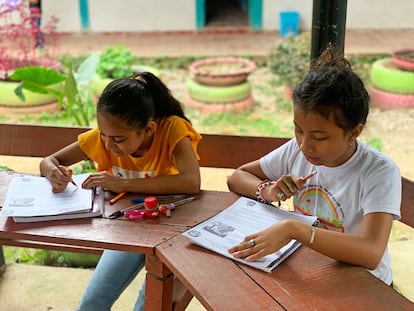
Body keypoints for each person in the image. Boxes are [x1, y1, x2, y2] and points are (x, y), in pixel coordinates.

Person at [227, 45, 401, 286]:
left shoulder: (378, 172)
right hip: (309, 270)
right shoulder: (295, 150)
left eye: (319, 137)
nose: (305, 145)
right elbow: (238, 176)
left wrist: (295, 229)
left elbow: (371, 252)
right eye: (298, 130)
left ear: (354, 132)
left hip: (364, 284)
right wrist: (268, 190)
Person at [39, 72, 201, 311]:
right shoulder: (108, 136)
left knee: (149, 306)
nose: (108, 145)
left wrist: (123, 185)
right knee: (92, 302)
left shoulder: (171, 130)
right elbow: (50, 160)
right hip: (128, 227)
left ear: (148, 129)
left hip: (172, 232)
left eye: (118, 139)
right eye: (103, 135)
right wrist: (53, 171)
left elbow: (191, 182)